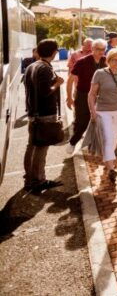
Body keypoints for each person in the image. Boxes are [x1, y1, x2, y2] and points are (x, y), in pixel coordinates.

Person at [23, 39, 64, 193]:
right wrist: (57, 83)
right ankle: (39, 181)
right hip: (45, 114)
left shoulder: (31, 66)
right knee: (41, 149)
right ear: (54, 53)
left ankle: (29, 178)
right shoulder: (45, 68)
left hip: (33, 112)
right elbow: (46, 91)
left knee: (31, 146)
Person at [88, 48, 117, 183]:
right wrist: (92, 111)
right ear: (108, 60)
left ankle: (107, 160)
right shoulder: (100, 73)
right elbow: (91, 94)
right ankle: (111, 169)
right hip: (103, 110)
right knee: (107, 138)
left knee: (114, 139)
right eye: (114, 60)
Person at [66, 39, 107, 155]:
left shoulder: (106, 61)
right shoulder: (82, 62)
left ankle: (92, 145)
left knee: (99, 121)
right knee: (82, 122)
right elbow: (70, 81)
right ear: (92, 49)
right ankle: (73, 142)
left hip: (101, 96)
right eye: (98, 49)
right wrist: (69, 98)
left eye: (103, 49)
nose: (101, 52)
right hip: (83, 95)